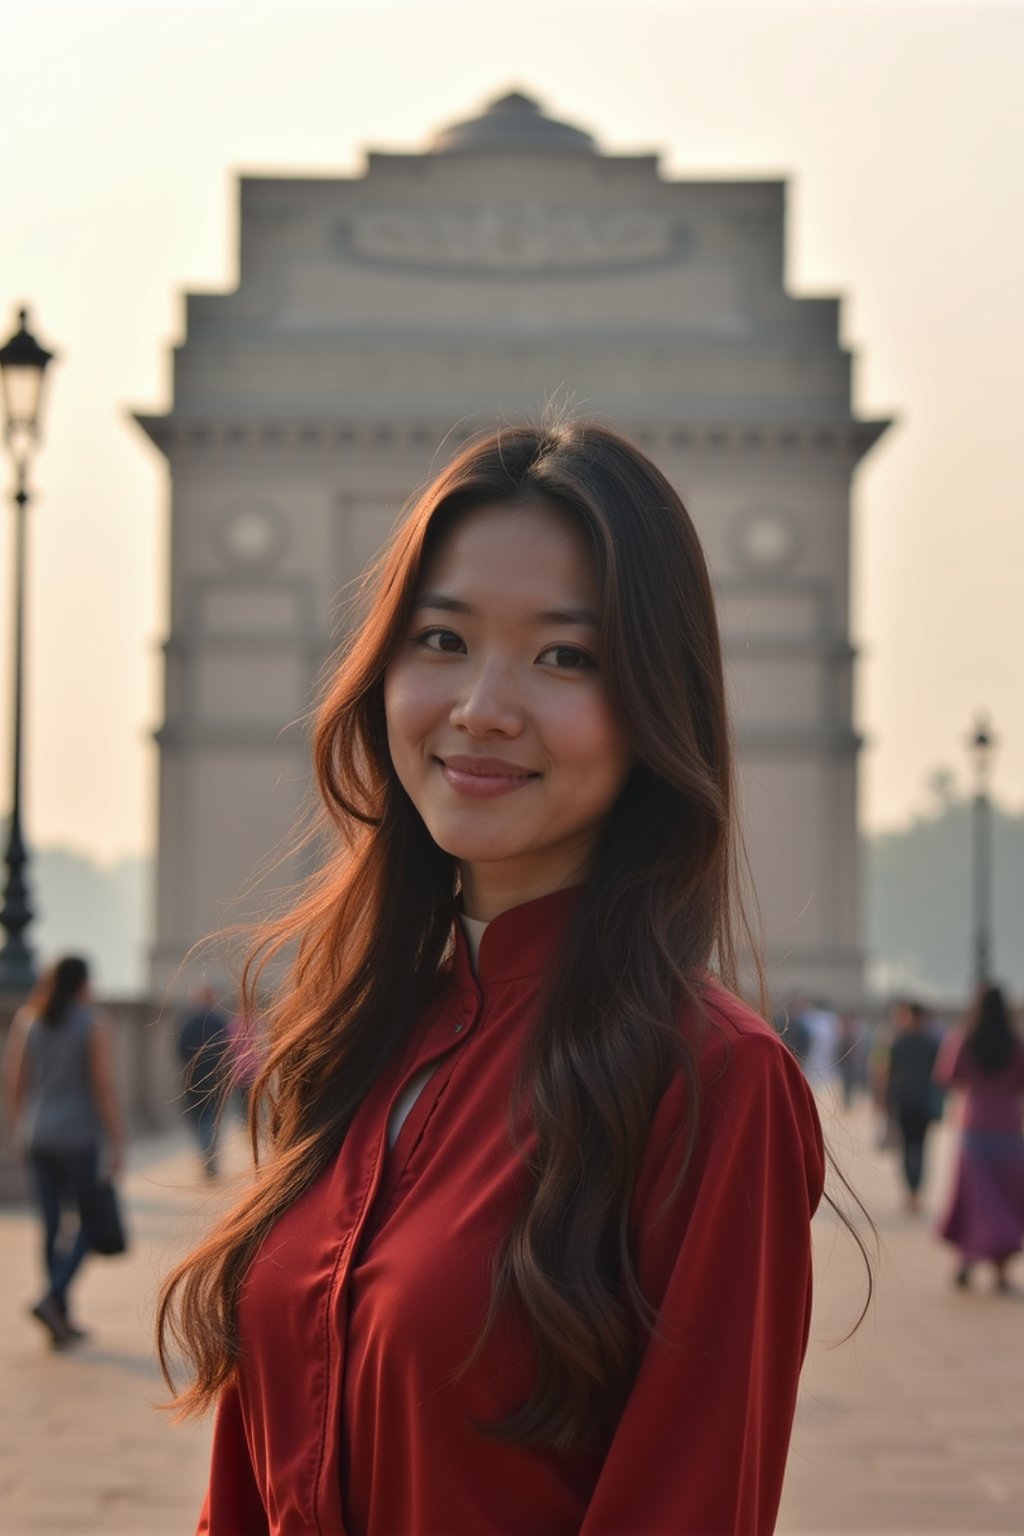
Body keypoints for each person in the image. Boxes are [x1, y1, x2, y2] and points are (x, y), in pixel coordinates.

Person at [158, 421, 844, 1536]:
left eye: (564, 656)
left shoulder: (715, 1086)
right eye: (440, 639)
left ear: (653, 709)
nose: (481, 704)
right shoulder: (355, 1038)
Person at [2, 955, 125, 1347]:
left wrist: (23, 1127)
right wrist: (118, 1138)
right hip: (78, 1137)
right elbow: (102, 1086)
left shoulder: (28, 1020)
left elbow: (15, 1080)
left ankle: (60, 1318)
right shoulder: (93, 1024)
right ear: (83, 984)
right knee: (91, 1222)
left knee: (52, 1226)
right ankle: (53, 1297)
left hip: (37, 1134)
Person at [936, 983, 1024, 1291]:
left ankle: (967, 1259)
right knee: (1006, 1200)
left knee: (975, 1200)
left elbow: (946, 1077)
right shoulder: (1016, 1044)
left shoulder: (963, 1039)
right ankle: (1001, 1271)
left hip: (973, 1127)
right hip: (1010, 1132)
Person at [886, 998, 940, 1213]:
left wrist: (885, 1100)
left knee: (907, 1148)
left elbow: (889, 1072)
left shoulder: (898, 1041)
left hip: (903, 1100)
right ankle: (917, 1193)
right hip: (924, 1101)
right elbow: (940, 1076)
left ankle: (910, 1193)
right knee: (922, 1148)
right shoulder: (932, 1043)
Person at [178, 984, 233, 1178]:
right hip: (215, 1079)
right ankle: (210, 1156)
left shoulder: (187, 1022)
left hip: (192, 1078)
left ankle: (206, 1155)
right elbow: (228, 1050)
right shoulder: (219, 1021)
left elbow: (179, 1050)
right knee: (211, 1120)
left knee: (197, 1119)